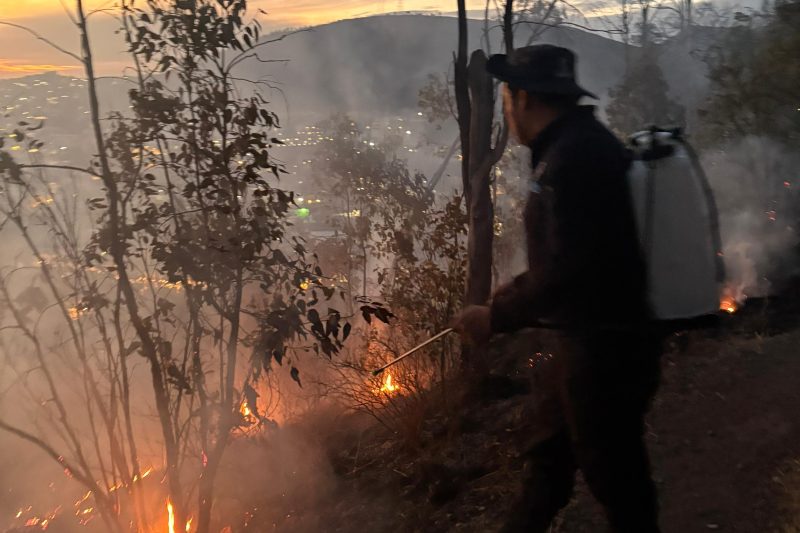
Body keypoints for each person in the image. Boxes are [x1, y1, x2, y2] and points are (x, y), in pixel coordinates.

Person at [450, 45, 663, 533]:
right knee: (547, 464)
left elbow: (570, 269)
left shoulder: (575, 160)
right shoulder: (575, 146)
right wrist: (508, 298)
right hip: (586, 343)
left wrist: (495, 316)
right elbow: (567, 261)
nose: (506, 107)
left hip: (604, 349)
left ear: (523, 97)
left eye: (507, 96)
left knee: (618, 482)